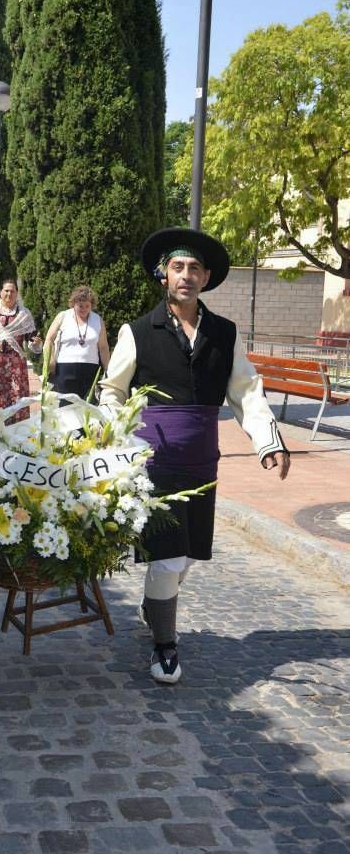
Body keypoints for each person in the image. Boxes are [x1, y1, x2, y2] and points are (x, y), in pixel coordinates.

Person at [98, 227, 290, 685]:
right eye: (178, 267)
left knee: (184, 559)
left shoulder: (224, 334)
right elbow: (112, 391)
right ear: (164, 274)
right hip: (154, 462)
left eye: (195, 269)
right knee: (167, 557)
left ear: (206, 278)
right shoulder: (138, 331)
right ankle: (164, 644)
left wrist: (268, 442)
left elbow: (245, 390)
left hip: (203, 463)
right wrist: (114, 439)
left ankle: (154, 607)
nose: (186, 275)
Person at [0, 279, 43, 423]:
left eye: (12, 291)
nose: (9, 294)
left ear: (17, 293)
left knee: (16, 394)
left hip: (15, 366)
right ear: (0, 292)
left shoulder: (24, 314)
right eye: (6, 290)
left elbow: (32, 339)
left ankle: (16, 431)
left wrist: (36, 343)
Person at [43, 285, 111, 400]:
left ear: (91, 305)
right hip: (65, 370)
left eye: (87, 306)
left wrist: (108, 370)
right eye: (80, 306)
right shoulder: (63, 316)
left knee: (87, 409)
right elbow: (49, 339)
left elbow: (103, 347)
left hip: (90, 371)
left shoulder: (98, 320)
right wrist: (50, 362)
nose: (84, 309)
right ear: (73, 303)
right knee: (65, 408)